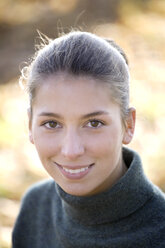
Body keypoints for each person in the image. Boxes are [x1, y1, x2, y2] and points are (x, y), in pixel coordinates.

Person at [12, 31, 165, 248]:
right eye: (52, 124)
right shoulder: (36, 207)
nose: (71, 150)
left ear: (128, 125)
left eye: (94, 123)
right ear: (30, 125)